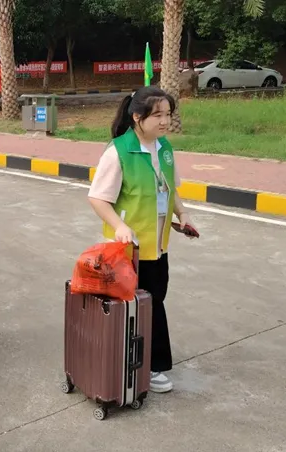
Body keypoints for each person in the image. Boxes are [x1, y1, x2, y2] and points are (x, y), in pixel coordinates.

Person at [87, 86, 197, 394]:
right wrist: (119, 225)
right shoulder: (118, 151)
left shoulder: (164, 148)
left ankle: (146, 363)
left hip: (158, 246)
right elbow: (97, 198)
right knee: (134, 307)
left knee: (154, 301)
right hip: (128, 249)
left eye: (168, 114)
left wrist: (183, 214)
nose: (165, 121)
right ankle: (144, 365)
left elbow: (170, 189)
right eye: (157, 115)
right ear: (137, 117)